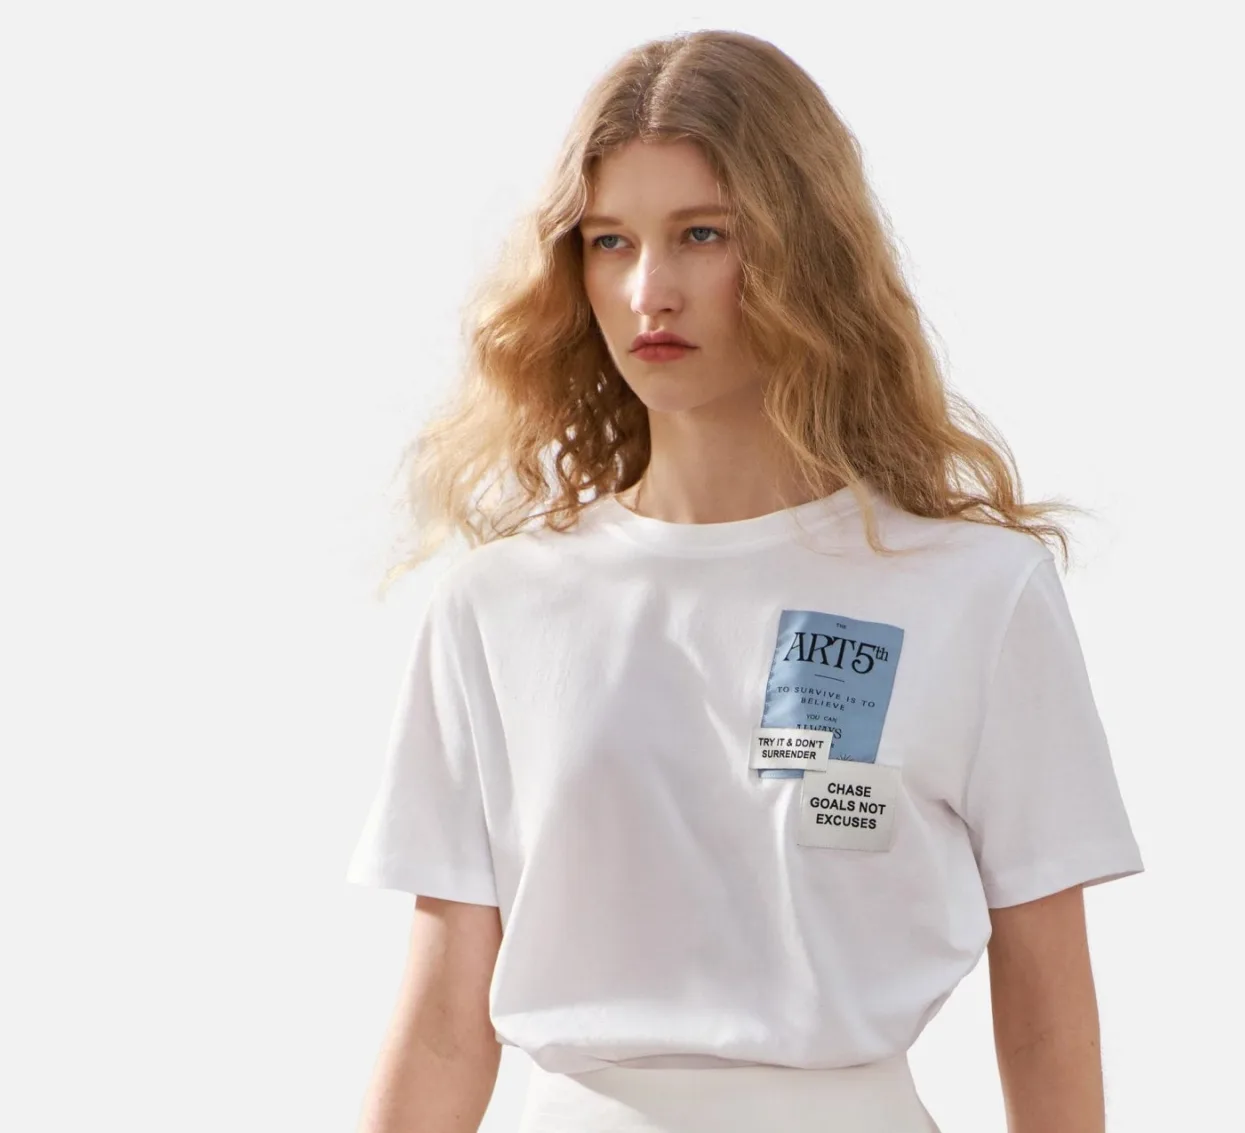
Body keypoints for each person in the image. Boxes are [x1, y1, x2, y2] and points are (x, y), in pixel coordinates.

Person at [347, 29, 1145, 1133]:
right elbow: (444, 1021)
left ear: (801, 252)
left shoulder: (973, 592)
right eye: (610, 241)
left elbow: (1048, 1014)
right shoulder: (497, 605)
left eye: (702, 235)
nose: (649, 290)